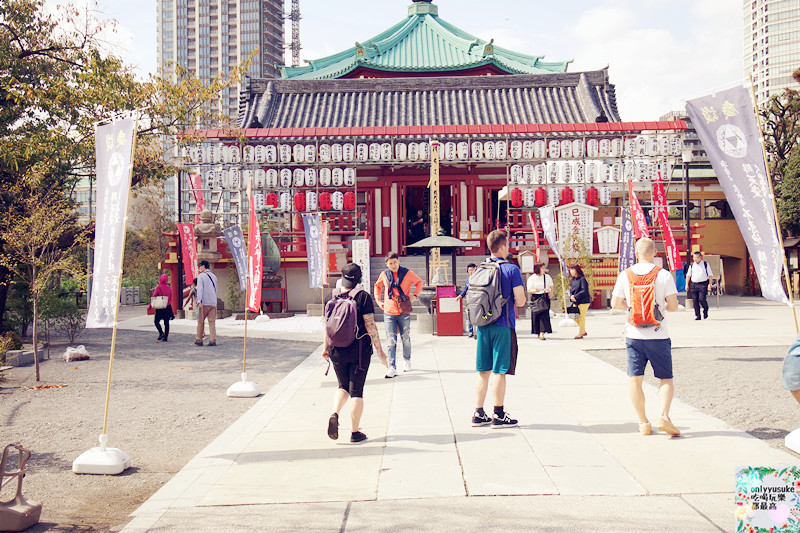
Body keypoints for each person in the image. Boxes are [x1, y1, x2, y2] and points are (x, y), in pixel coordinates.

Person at [611, 237, 680, 436]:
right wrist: (661, 308)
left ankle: (643, 423)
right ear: (655, 253)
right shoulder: (663, 274)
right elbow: (673, 306)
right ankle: (664, 416)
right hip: (659, 335)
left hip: (633, 335)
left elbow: (615, 303)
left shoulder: (625, 274)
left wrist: (631, 308)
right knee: (666, 379)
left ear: (636, 253)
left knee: (635, 380)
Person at [323, 263, 388, 444]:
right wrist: (380, 351)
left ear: (342, 276)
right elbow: (370, 325)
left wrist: (325, 347)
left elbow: (326, 325)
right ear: (359, 278)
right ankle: (354, 432)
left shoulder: (331, 296)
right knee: (356, 392)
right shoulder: (362, 297)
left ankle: (335, 413)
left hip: (336, 349)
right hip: (358, 350)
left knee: (342, 386)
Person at [472, 230, 526, 429]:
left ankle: (478, 413)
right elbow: (520, 300)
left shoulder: (480, 268)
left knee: (483, 371)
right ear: (503, 247)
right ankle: (499, 414)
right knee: (499, 371)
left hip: (482, 325)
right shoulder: (511, 269)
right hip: (503, 325)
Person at [374, 252, 423, 377]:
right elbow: (377, 286)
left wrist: (414, 296)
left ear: (398, 261)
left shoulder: (407, 273)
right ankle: (392, 367)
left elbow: (419, 282)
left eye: (395, 262)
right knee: (391, 340)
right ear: (386, 264)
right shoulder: (384, 274)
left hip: (403, 311)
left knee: (405, 338)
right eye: (390, 263)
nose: (393, 265)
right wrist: (379, 301)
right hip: (389, 311)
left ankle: (407, 360)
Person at [527, 262, 554, 340]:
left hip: (544, 296)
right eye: (542, 268)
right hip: (536, 297)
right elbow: (529, 289)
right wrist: (536, 290)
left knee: (544, 315)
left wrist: (551, 293)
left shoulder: (547, 277)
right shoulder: (532, 278)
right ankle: (538, 332)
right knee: (536, 314)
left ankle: (542, 332)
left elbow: (551, 286)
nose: (543, 269)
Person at [685, 251, 714, 320]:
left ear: (700, 257)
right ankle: (698, 315)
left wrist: (710, 284)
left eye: (696, 257)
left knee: (702, 299)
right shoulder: (692, 265)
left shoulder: (705, 264)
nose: (695, 259)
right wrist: (687, 285)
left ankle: (705, 309)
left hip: (703, 284)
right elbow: (688, 275)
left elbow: (710, 275)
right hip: (694, 284)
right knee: (695, 300)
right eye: (694, 257)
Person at [195, 260, 218, 347]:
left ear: (204, 266)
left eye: (200, 266)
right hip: (213, 302)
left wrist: (199, 301)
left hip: (204, 302)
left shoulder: (201, 276)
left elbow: (200, 289)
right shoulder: (214, 276)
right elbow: (216, 289)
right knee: (212, 322)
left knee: (201, 321)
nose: (200, 268)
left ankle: (199, 339)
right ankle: (212, 339)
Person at [568, 264, 591, 339]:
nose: (571, 271)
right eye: (570, 270)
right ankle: (583, 330)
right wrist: (571, 296)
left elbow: (584, 290)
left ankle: (581, 333)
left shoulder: (582, 279)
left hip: (584, 301)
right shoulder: (572, 280)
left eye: (572, 270)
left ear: (577, 270)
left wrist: (576, 297)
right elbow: (571, 290)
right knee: (574, 316)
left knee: (581, 317)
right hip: (575, 301)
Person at [151, 273, 175, 342]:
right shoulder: (169, 288)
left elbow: (154, 296)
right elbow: (170, 298)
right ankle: (165, 337)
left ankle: (161, 332)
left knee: (156, 321)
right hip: (167, 307)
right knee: (166, 323)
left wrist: (150, 305)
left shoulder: (158, 287)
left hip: (160, 308)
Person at [456, 263, 477, 338]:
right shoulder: (467, 280)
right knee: (469, 315)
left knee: (477, 316)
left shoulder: (479, 279)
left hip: (477, 299)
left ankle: (478, 332)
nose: (471, 272)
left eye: (473, 270)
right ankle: (471, 331)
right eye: (470, 270)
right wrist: (460, 296)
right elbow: (465, 289)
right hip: (469, 299)